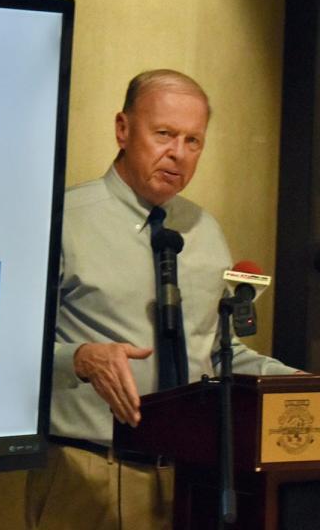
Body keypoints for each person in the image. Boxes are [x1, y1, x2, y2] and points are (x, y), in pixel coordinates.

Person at [25, 69, 299, 530]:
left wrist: (302, 385)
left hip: (193, 479)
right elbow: (2, 348)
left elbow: (218, 352)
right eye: (165, 134)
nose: (178, 154)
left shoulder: (204, 230)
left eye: (194, 141)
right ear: (123, 129)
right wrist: (82, 357)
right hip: (87, 471)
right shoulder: (62, 219)